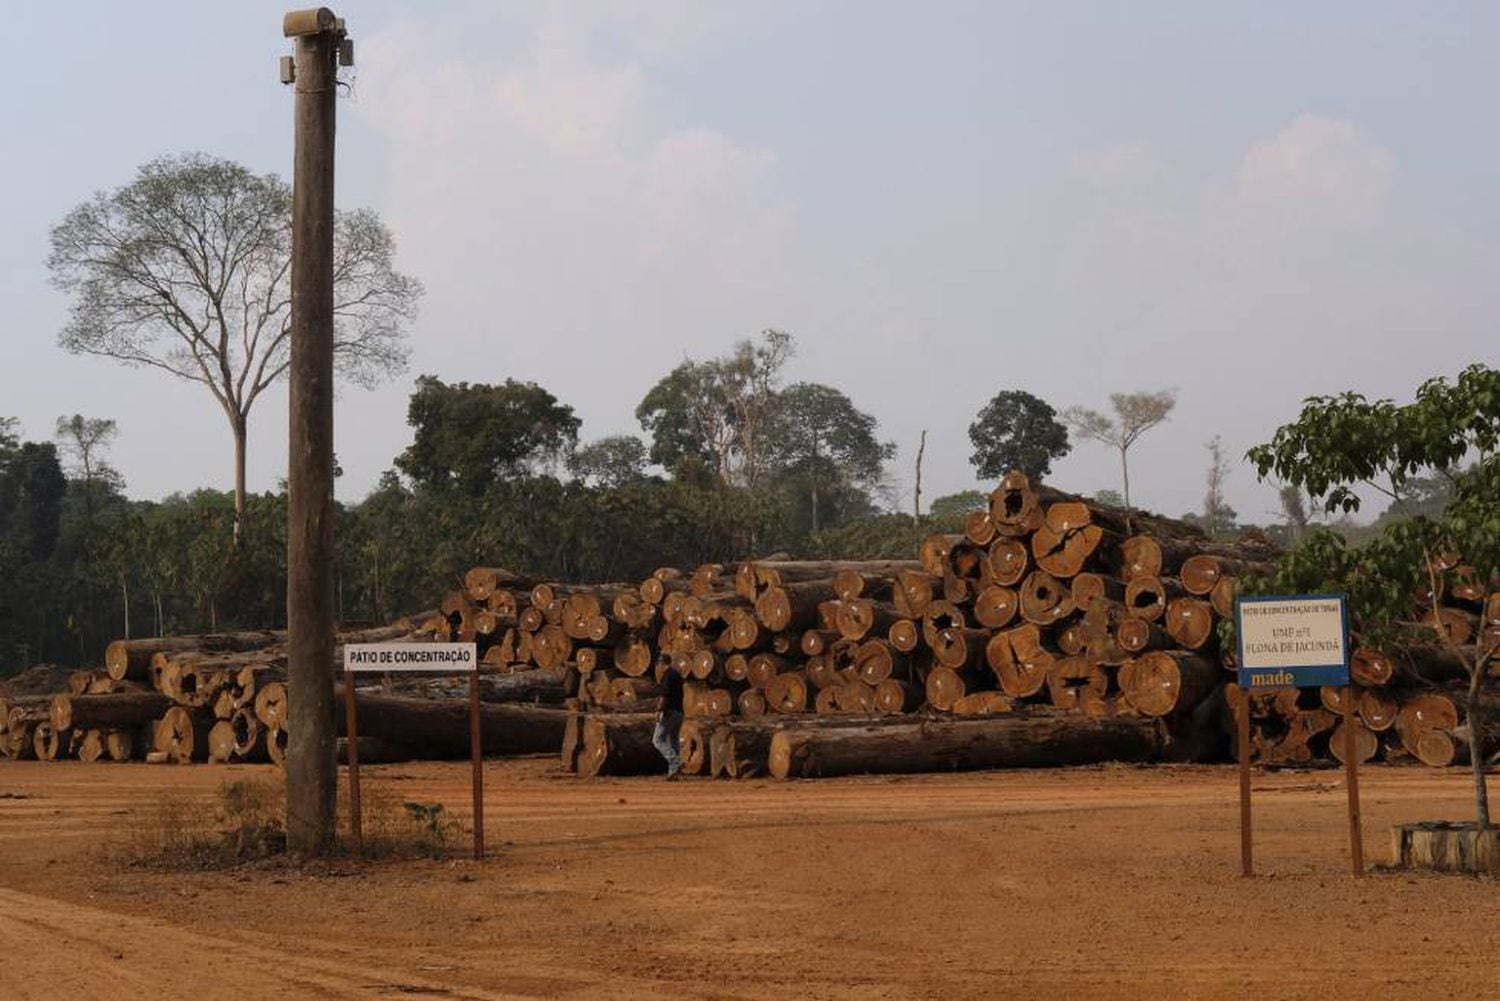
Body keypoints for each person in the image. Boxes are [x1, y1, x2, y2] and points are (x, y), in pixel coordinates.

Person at [653, 660, 686, 779]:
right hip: (679, 712)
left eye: (658, 666)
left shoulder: (667, 676)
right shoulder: (677, 675)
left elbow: (664, 695)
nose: (658, 669)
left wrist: (658, 710)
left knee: (657, 740)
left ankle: (675, 760)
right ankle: (673, 772)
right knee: (673, 740)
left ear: (662, 664)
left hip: (669, 713)